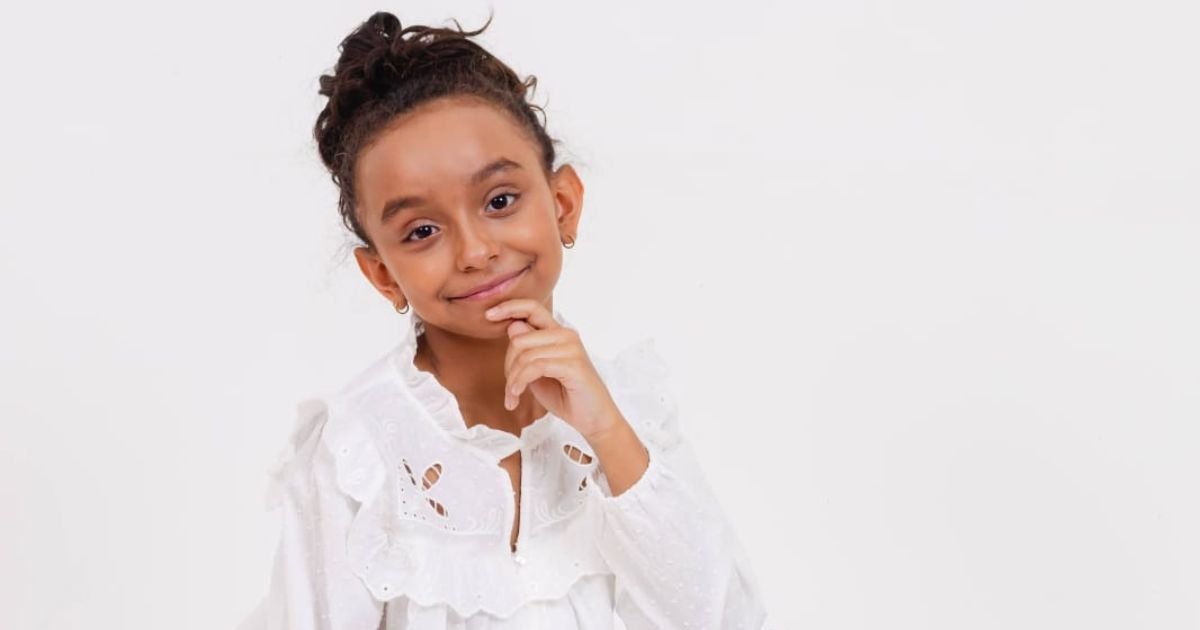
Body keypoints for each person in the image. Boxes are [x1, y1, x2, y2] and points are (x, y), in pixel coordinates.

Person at [237, 10, 767, 629]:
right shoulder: (357, 453)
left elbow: (722, 619)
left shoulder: (631, 413)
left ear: (563, 204)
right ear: (382, 275)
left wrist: (608, 434)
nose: (475, 251)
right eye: (422, 231)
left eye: (499, 200)